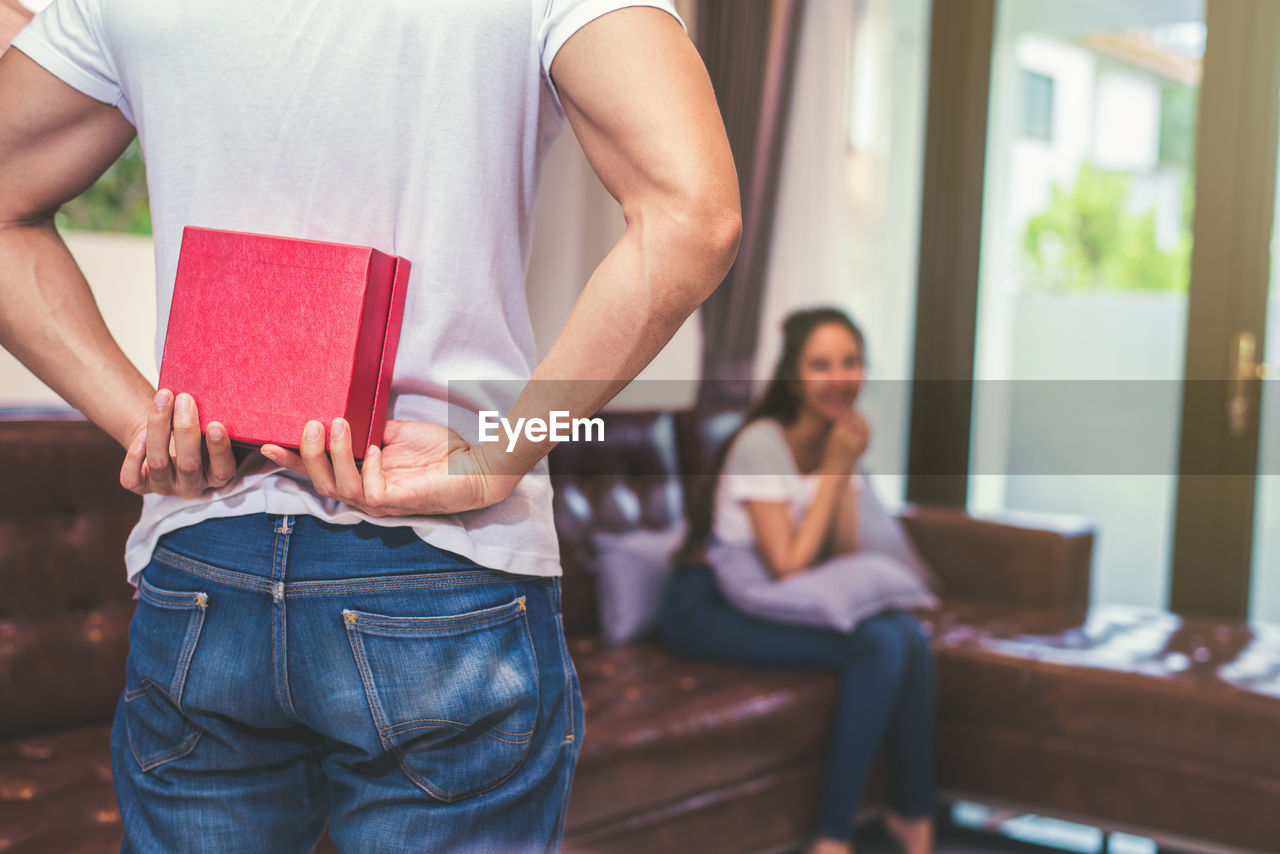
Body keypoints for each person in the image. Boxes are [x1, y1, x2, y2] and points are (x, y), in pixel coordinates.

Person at [0, 2, 740, 852]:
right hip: (438, 552)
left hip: (205, 559)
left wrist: (150, 423)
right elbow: (695, 214)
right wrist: (498, 455)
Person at [660, 308, 936, 854]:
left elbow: (845, 556)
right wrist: (836, 469)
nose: (840, 378)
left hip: (775, 599)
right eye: (821, 365)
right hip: (708, 605)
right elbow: (787, 564)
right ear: (792, 376)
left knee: (907, 635)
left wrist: (844, 467)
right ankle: (833, 838)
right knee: (878, 645)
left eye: (851, 362)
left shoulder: (838, 442)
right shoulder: (762, 443)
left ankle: (912, 813)